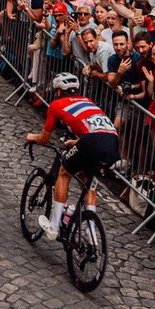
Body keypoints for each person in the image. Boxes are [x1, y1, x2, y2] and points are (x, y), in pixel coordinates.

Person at [26, 71, 119, 241]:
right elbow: (93, 129)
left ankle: (54, 225)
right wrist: (77, 143)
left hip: (91, 142)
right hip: (112, 143)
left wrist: (32, 137)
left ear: (59, 91)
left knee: (64, 172)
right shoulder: (88, 101)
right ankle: (91, 232)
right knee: (88, 181)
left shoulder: (56, 104)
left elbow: (45, 138)